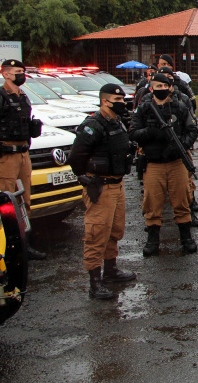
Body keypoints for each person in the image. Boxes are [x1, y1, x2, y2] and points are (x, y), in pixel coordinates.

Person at [69, 84, 136, 300]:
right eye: (117, 100)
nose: (122, 104)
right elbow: (76, 156)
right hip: (101, 186)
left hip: (117, 184)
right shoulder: (93, 125)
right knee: (97, 233)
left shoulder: (117, 123)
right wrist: (84, 177)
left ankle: (111, 270)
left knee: (114, 230)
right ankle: (94, 283)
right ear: (105, 101)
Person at [0, 59, 45, 259]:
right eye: (17, 71)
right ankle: (6, 247)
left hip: (23, 155)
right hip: (5, 156)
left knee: (24, 202)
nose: (21, 74)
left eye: (22, 71)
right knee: (6, 203)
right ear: (5, 74)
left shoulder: (23, 97)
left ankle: (24, 245)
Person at [129, 74, 198, 256]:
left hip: (176, 162)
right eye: (157, 85)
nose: (161, 88)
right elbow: (133, 132)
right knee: (152, 203)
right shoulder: (144, 109)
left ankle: (186, 238)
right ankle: (153, 240)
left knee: (182, 201)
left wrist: (180, 146)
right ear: (151, 88)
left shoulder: (180, 107)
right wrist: (150, 132)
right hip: (153, 163)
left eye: (164, 85)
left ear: (170, 87)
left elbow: (192, 130)